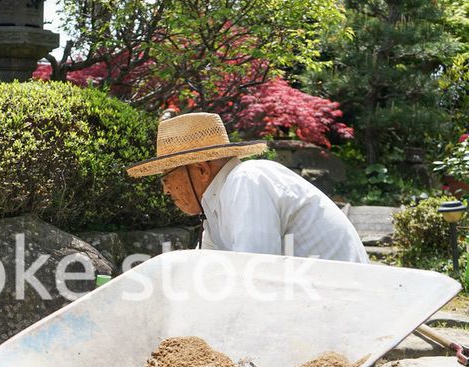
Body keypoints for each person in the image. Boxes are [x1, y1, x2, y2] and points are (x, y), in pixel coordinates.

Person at [127, 112, 368, 263]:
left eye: (167, 179)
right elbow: (205, 272)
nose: (166, 191)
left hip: (337, 302)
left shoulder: (246, 180)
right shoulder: (215, 205)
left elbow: (255, 272)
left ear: (201, 169)